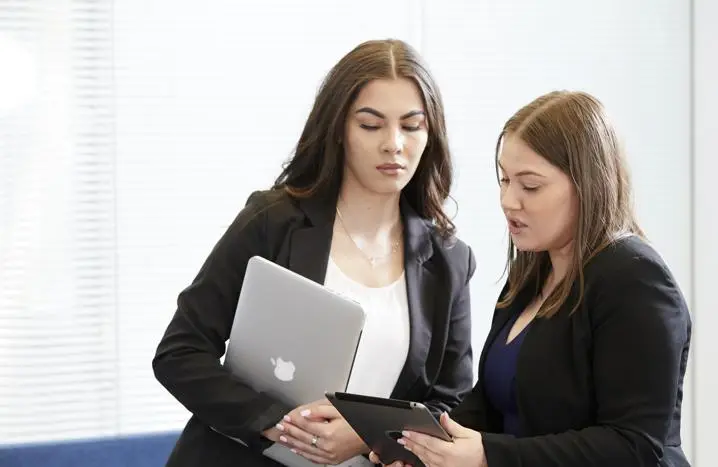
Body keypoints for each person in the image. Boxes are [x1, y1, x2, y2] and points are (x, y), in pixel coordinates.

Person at [152, 39, 477, 467]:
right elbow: (180, 352)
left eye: (411, 126)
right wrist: (279, 423)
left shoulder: (448, 259)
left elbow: (449, 401)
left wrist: (369, 438)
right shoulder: (273, 221)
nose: (393, 144)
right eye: (371, 125)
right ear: (338, 130)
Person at [372, 90, 692, 467]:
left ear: (588, 185)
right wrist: (422, 447)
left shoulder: (636, 280)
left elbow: (632, 445)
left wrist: (488, 456)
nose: (509, 200)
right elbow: (493, 404)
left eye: (530, 186)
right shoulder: (533, 270)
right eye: (505, 181)